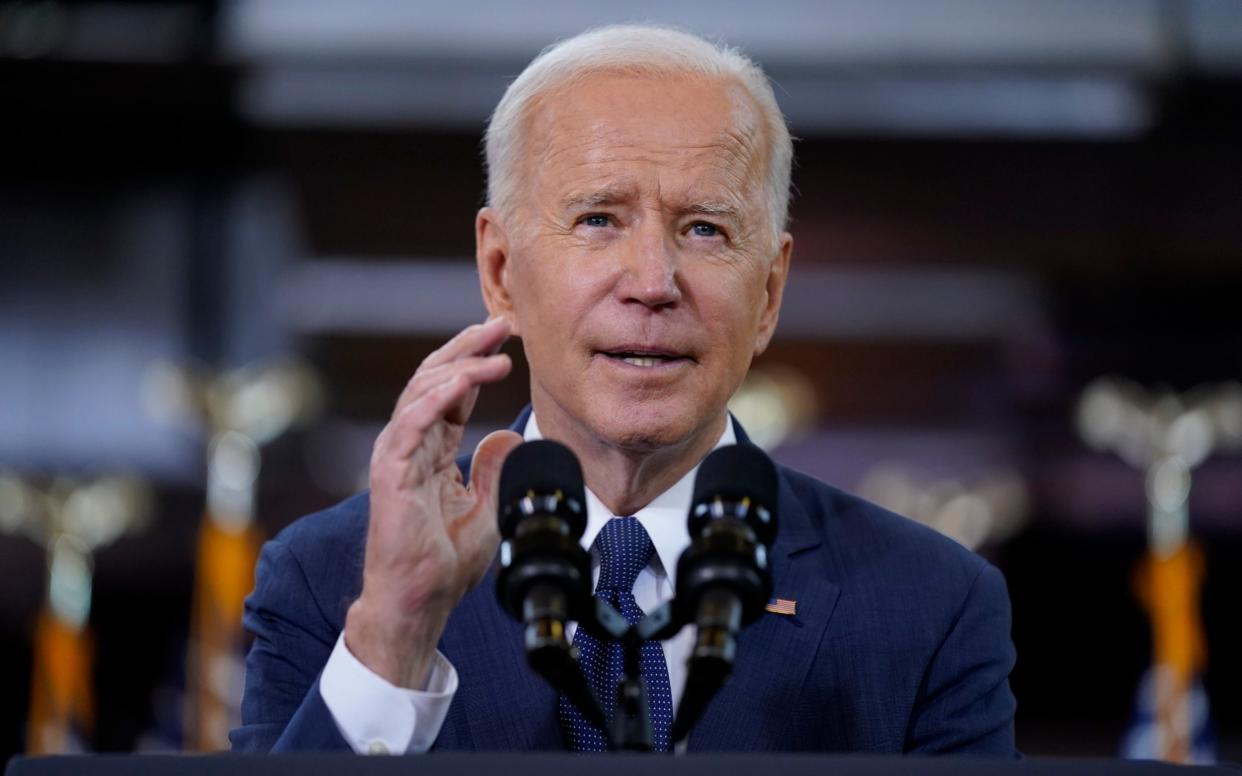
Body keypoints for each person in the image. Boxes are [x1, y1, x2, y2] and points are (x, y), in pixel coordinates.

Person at [230, 24, 1017, 756]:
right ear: (501, 273)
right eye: (599, 219)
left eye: (705, 228)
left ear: (770, 292)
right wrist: (396, 637)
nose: (652, 284)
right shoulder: (331, 580)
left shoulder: (929, 604)